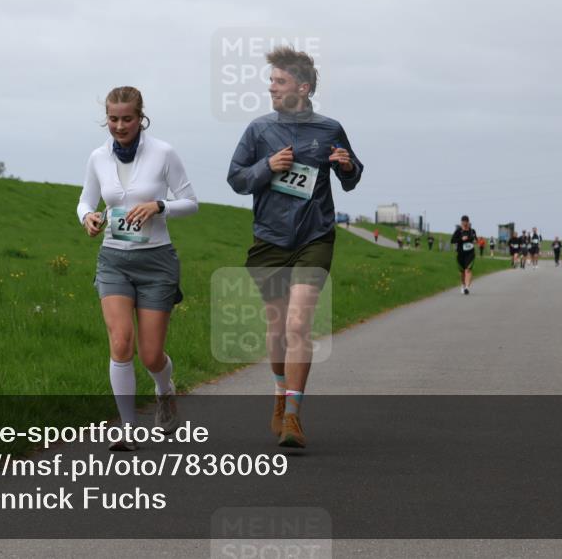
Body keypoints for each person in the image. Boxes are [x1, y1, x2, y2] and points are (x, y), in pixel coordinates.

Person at [227, 46, 363, 449]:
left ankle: (293, 416)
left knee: (299, 324)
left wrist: (347, 166)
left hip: (314, 237)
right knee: (278, 331)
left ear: (302, 88)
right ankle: (279, 393)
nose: (271, 87)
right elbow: (236, 178)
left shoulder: (329, 129)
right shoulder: (258, 130)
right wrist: (266, 168)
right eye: (270, 81)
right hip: (269, 240)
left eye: (279, 81)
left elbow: (352, 176)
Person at [78, 86, 198, 451]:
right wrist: (89, 217)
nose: (119, 125)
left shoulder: (163, 153)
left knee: (150, 355)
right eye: (113, 119)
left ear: (140, 117)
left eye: (126, 118)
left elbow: (191, 203)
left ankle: (165, 390)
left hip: (156, 262)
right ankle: (127, 428)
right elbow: (85, 200)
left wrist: (159, 206)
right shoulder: (98, 157)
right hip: (113, 259)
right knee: (120, 343)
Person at [450, 216, 477, 294]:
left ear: (468, 222)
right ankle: (463, 285)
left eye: (466, 222)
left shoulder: (472, 231)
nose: (465, 223)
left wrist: (475, 241)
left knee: (468, 270)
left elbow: (475, 239)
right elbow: (452, 240)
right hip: (461, 254)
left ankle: (467, 288)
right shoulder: (458, 231)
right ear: (461, 222)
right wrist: (461, 239)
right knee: (462, 272)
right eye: (463, 222)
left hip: (470, 253)